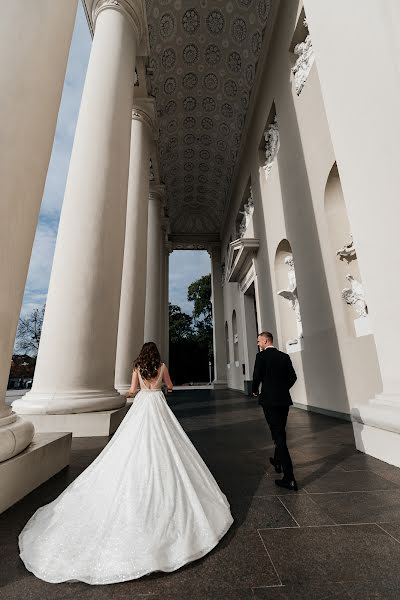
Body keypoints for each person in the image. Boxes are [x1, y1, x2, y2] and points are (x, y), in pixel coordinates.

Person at [18, 342, 233, 585]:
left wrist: (135, 391)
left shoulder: (138, 367)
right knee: (168, 444)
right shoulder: (161, 367)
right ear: (157, 355)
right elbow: (170, 387)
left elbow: (131, 391)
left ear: (142, 355)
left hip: (142, 407)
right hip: (158, 406)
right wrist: (162, 387)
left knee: (132, 444)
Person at [252, 331, 298, 491]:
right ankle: (278, 461)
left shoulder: (261, 357)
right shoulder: (284, 356)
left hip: (269, 401)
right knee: (280, 431)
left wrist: (254, 390)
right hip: (283, 400)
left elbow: (257, 376)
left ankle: (289, 477)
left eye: (259, 341)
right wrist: (282, 389)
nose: (258, 343)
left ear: (265, 341)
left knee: (278, 436)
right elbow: (293, 377)